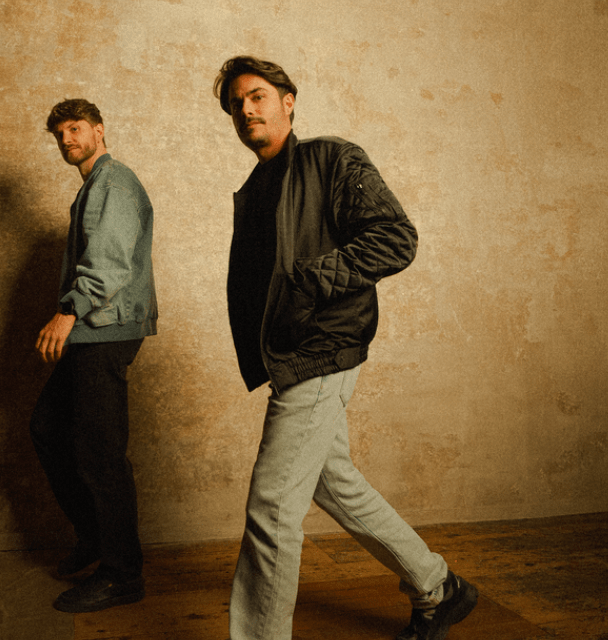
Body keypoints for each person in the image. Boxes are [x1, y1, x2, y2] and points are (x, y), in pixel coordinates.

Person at [213, 56, 478, 640]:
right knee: (334, 483)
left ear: (288, 101)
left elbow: (396, 237)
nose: (245, 110)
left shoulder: (332, 159)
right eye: (235, 104)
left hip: (322, 349)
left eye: (256, 96)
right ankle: (438, 585)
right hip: (290, 357)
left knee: (272, 508)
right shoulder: (257, 188)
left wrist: (310, 282)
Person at [30, 98, 157, 614]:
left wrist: (68, 311)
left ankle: (122, 574)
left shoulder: (114, 182)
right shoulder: (94, 185)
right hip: (91, 330)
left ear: (99, 130)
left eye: (76, 128)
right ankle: (96, 537)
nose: (67, 139)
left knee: (100, 453)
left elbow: (110, 262)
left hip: (104, 329)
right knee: (49, 427)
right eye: (59, 133)